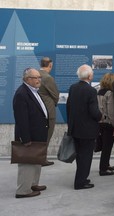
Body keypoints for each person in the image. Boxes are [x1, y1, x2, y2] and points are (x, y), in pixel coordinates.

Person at [13, 68, 48, 198]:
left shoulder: (33, 91)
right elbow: (21, 119)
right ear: (28, 79)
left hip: (38, 134)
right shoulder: (22, 94)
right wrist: (25, 138)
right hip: (29, 136)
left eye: (39, 77)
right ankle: (23, 190)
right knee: (27, 162)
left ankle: (33, 184)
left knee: (36, 160)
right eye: (36, 78)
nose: (39, 80)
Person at [66, 64, 102, 190]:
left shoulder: (73, 87)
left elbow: (69, 107)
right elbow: (94, 111)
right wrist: (100, 117)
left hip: (75, 128)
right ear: (90, 75)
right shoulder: (91, 91)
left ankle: (81, 178)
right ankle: (80, 182)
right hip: (88, 130)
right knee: (86, 156)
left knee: (80, 156)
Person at [38, 57, 60, 166]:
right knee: (47, 136)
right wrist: (54, 103)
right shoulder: (47, 78)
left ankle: (37, 157)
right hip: (48, 110)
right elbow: (56, 95)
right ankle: (42, 159)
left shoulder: (35, 75)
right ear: (50, 65)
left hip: (38, 110)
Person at [97, 73, 114, 176]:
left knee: (104, 145)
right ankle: (103, 169)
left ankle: (106, 164)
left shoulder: (99, 92)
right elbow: (111, 111)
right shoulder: (110, 93)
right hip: (108, 123)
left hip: (100, 122)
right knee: (107, 146)